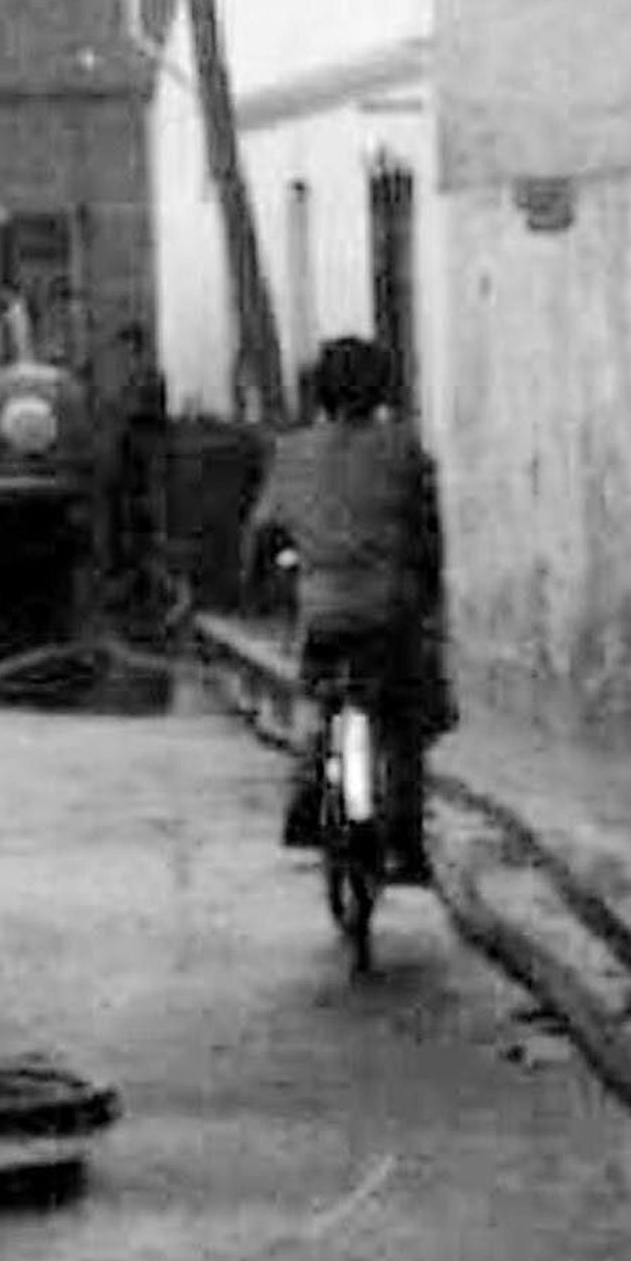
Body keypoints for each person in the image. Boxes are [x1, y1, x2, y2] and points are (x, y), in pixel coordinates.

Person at [242, 335, 451, 885]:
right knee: (405, 720)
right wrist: (430, 596)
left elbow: (261, 534)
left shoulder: (291, 453)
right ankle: (407, 842)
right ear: (382, 388)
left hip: (324, 610)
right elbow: (427, 533)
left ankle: (309, 796)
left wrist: (257, 587)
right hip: (390, 611)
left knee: (318, 699)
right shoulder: (403, 448)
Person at [106, 321, 169, 615]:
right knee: (126, 524)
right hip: (127, 462)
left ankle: (140, 588)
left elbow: (141, 418)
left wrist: (120, 418)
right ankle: (133, 586)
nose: (121, 355)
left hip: (140, 463)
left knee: (137, 525)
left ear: (134, 347)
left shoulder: (148, 378)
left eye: (125, 348)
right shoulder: (134, 379)